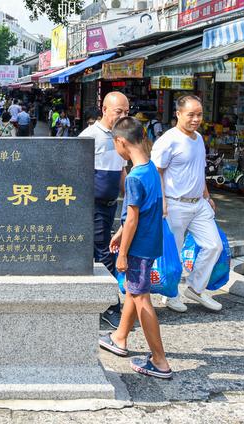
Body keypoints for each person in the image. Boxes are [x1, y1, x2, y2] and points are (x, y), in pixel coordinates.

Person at [99, 116, 172, 380]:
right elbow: (141, 212)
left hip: (138, 246)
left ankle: (160, 361)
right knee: (133, 290)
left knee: (141, 298)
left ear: (121, 142)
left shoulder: (134, 178)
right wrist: (119, 233)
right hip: (150, 241)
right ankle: (119, 338)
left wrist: (122, 253)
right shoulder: (150, 169)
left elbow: (132, 219)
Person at [151, 95, 223, 313]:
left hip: (198, 203)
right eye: (191, 114)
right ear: (179, 114)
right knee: (174, 252)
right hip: (174, 204)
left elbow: (198, 171)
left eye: (199, 114)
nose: (195, 119)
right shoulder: (168, 140)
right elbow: (156, 173)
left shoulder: (198, 138)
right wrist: (162, 202)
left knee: (214, 245)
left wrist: (208, 196)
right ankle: (171, 294)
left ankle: (196, 288)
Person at [79, 92, 129, 329]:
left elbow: (120, 172)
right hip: (92, 207)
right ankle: (111, 306)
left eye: (127, 111)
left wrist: (130, 196)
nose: (123, 115)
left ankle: (97, 302)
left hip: (111, 207)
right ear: (104, 109)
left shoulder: (121, 137)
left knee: (100, 252)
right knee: (105, 252)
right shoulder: (89, 136)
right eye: (118, 111)